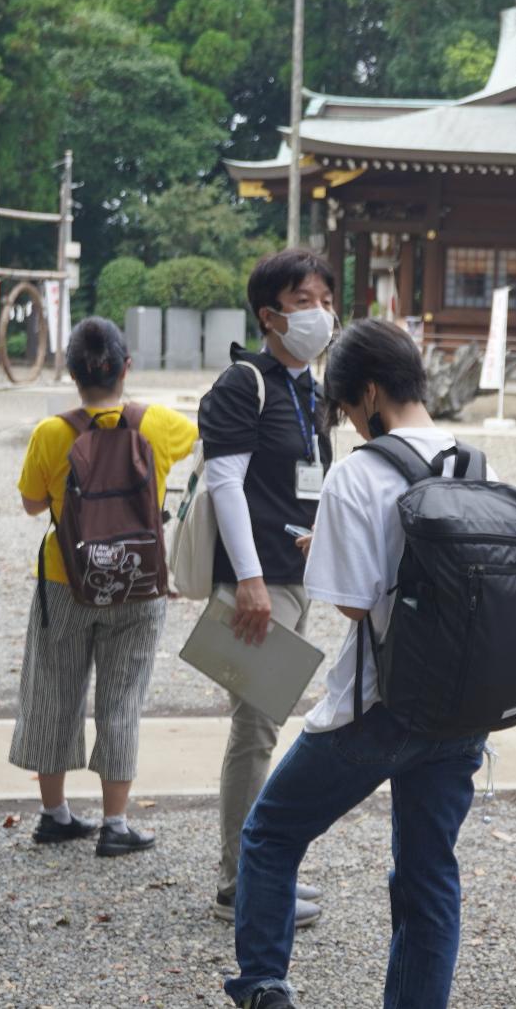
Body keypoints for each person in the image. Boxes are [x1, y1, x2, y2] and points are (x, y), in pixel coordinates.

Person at [226, 319, 492, 1009]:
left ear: (369, 391)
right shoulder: (476, 461)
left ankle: (264, 987)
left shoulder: (359, 472)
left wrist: (326, 548)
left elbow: (351, 606)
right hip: (461, 708)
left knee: (270, 833)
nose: (348, 422)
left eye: (346, 408)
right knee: (428, 875)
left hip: (375, 708)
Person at [10, 318, 196, 856]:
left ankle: (54, 815)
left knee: (53, 692)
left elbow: (29, 504)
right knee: (122, 701)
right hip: (139, 585)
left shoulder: (52, 433)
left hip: (66, 580)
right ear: (126, 367)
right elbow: (205, 444)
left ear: (71, 373)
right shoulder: (158, 425)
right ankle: (115, 825)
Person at [197, 248, 338, 927]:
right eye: (305, 300)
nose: (320, 312)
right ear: (270, 315)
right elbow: (225, 482)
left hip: (297, 578)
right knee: (253, 728)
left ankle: (262, 870)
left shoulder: (311, 389)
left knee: (266, 725)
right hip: (260, 584)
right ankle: (241, 882)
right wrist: (249, 580)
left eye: (323, 298)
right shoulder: (243, 383)